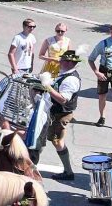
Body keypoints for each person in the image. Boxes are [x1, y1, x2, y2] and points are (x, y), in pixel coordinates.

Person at [28, 49, 82, 182]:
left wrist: (47, 87)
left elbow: (63, 99)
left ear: (69, 63)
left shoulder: (71, 79)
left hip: (61, 114)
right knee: (44, 137)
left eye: (62, 60)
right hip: (55, 111)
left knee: (56, 141)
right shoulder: (65, 74)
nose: (59, 61)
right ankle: (33, 164)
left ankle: (68, 171)